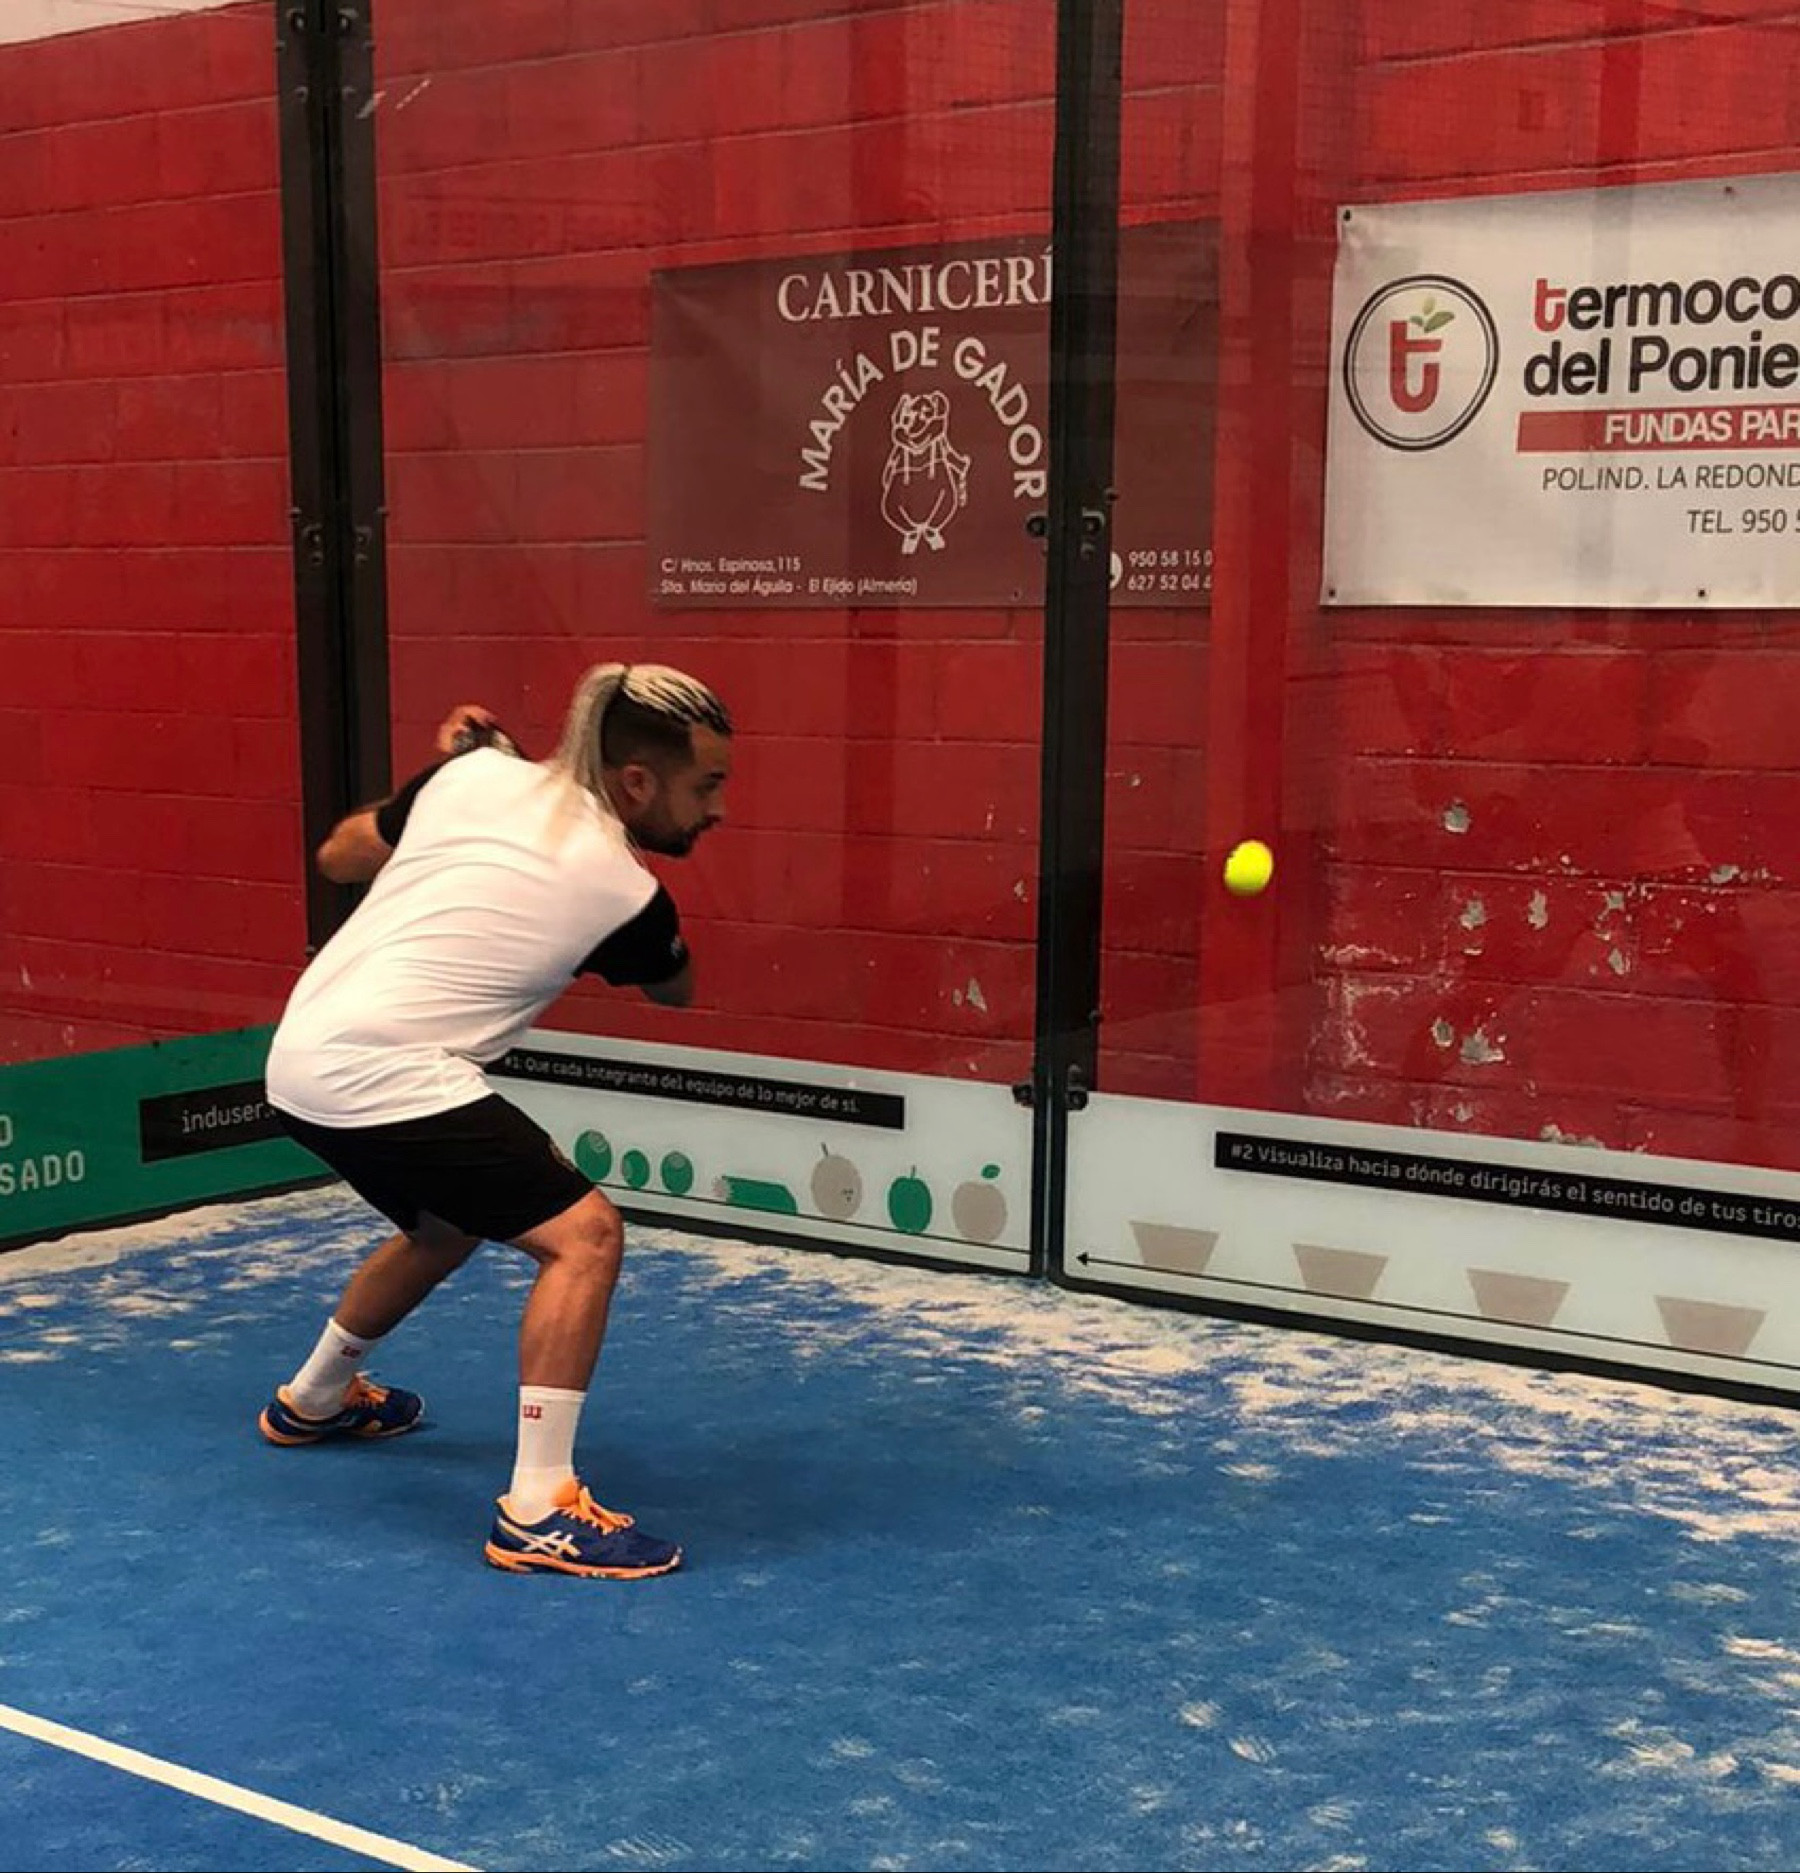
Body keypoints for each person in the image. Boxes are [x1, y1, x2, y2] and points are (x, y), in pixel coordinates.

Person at [258, 662, 732, 1580]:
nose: (715, 808)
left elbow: (341, 855)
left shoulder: (469, 777)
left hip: (299, 1059)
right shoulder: (625, 889)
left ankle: (313, 1397)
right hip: (385, 1074)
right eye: (705, 785)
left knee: (445, 1225)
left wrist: (445, 786)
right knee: (586, 1237)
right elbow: (675, 987)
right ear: (637, 781)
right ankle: (539, 1508)